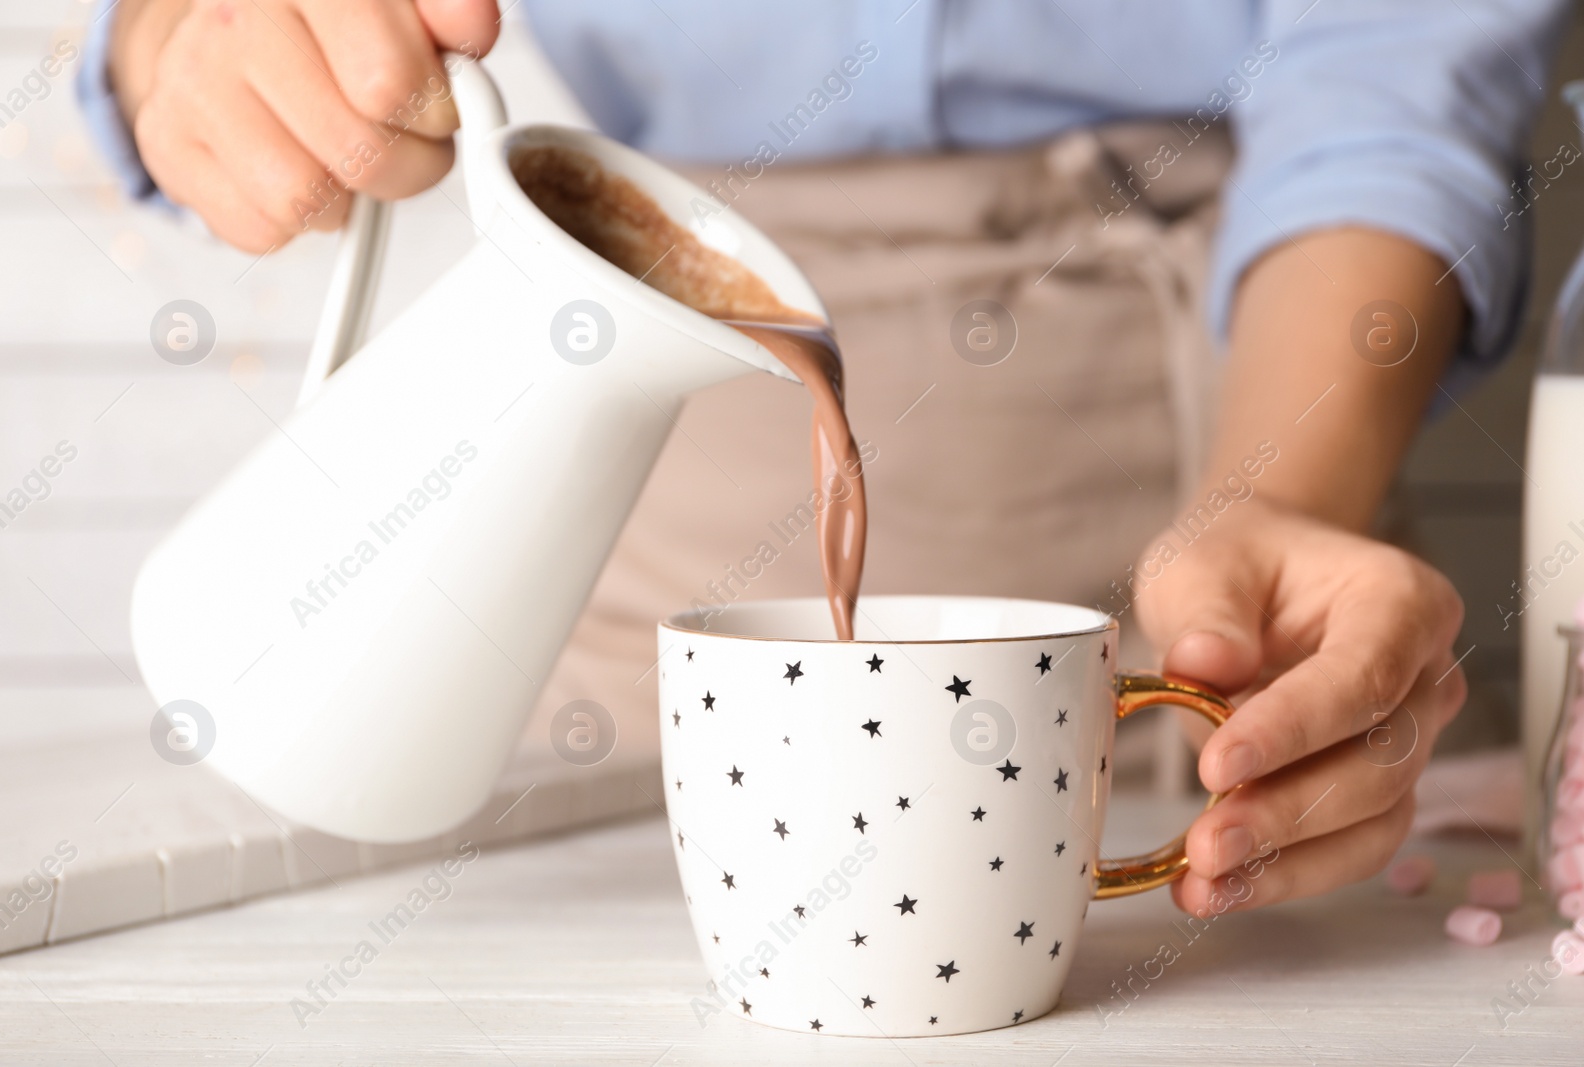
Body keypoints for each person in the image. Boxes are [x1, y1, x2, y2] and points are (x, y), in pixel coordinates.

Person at [79, 0, 1565, 918]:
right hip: (664, 384)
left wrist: (1286, 500)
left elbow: (1388, 81)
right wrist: (183, 32)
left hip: (1256, 374)